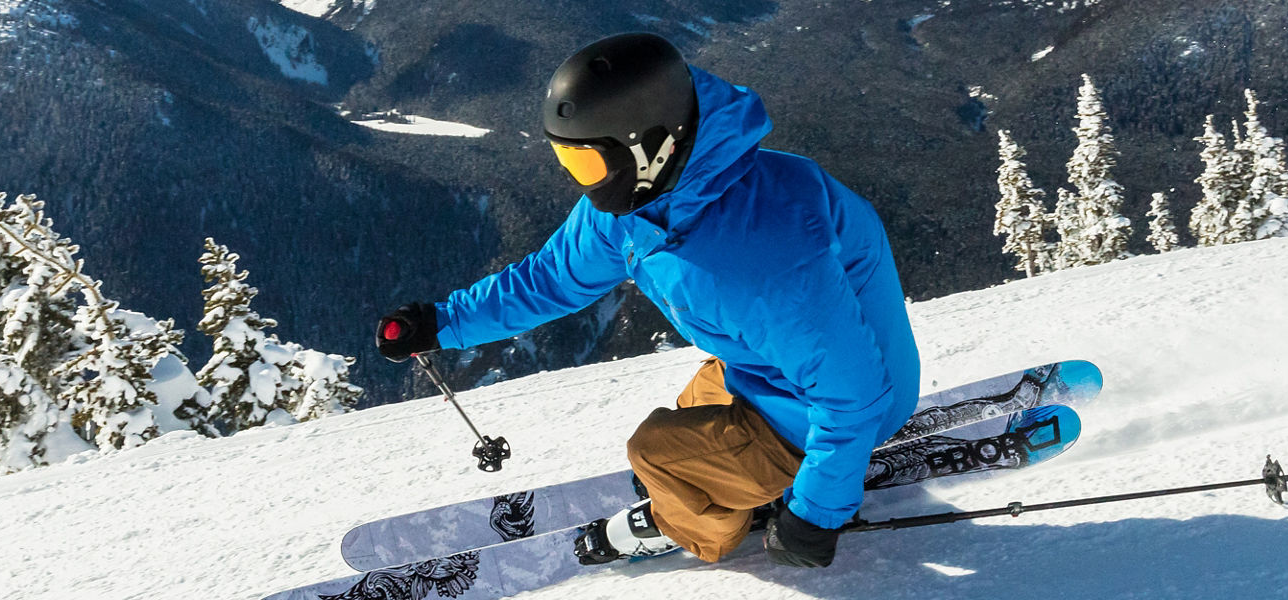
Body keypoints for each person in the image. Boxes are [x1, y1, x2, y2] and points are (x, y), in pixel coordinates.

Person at [373, 32, 919, 569]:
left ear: (650, 145)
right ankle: (712, 482)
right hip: (777, 370)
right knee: (691, 411)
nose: (584, 184)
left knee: (653, 451)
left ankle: (693, 525)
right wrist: (442, 324)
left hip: (852, 399)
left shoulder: (765, 260)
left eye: (588, 164)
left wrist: (815, 517)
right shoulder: (641, 202)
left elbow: (855, 398)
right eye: (570, 162)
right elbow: (550, 278)